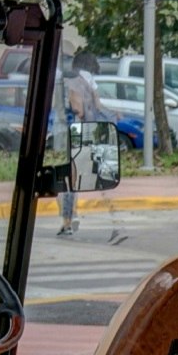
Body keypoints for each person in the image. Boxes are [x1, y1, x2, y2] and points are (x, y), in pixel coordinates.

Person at [56, 50, 109, 239]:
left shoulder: (66, 78)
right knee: (75, 177)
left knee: (67, 177)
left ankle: (68, 219)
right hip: (85, 130)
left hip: (67, 130)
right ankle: (70, 217)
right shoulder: (89, 80)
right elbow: (96, 105)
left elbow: (74, 105)